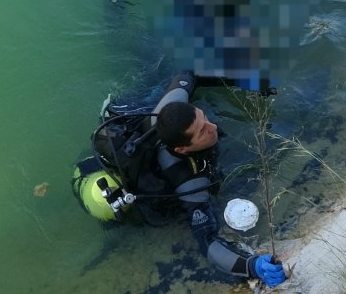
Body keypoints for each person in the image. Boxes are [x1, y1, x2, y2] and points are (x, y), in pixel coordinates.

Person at [73, 72, 287, 288]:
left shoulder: (171, 108)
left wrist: (245, 81)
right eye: (202, 131)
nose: (213, 127)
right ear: (182, 150)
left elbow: (189, 75)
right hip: (123, 180)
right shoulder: (188, 179)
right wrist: (253, 266)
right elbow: (207, 243)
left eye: (203, 117)